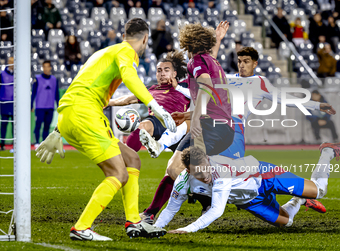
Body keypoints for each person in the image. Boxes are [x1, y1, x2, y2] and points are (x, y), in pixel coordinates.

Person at [139, 46, 336, 223]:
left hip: (234, 131)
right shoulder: (228, 79)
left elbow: (286, 99)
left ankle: (218, 203)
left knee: (227, 173)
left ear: (255, 64)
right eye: (239, 61)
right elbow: (209, 99)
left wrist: (316, 105)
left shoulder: (260, 82)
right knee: (193, 166)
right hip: (211, 124)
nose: (242, 65)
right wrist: (186, 109)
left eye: (246, 62)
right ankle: (206, 204)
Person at [35, 18, 176, 241]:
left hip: (72, 113)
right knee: (117, 174)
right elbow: (129, 76)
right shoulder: (128, 52)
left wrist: (58, 131)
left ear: (123, 35)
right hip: (86, 114)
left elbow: (79, 88)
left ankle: (134, 223)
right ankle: (81, 227)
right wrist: (155, 105)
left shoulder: (101, 54)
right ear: (145, 38)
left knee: (132, 159)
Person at [139, 21, 235, 222]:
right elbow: (214, 102)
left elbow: (206, 86)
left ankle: (151, 214)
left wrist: (197, 120)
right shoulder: (211, 61)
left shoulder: (196, 61)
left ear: (187, 42)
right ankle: (204, 203)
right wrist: (187, 116)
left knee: (176, 168)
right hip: (223, 127)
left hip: (210, 128)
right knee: (188, 168)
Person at [154, 144, 338, 233]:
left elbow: (217, 210)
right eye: (199, 172)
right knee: (287, 222)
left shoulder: (220, 171)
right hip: (250, 201)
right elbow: (171, 208)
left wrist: (187, 230)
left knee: (319, 190)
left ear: (208, 160)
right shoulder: (183, 181)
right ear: (188, 171)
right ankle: (300, 199)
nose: (205, 174)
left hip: (265, 176)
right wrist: (156, 228)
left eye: (206, 167)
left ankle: (327, 152)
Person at [108, 50, 190, 154]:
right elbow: (128, 100)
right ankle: (126, 157)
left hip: (178, 126)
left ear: (174, 73)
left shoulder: (184, 87)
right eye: (159, 70)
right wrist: (106, 102)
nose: (162, 73)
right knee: (142, 127)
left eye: (166, 70)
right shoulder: (150, 89)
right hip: (158, 122)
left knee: (176, 168)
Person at [31, 60, 60, 146]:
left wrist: (58, 105)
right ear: (43, 68)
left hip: (50, 107)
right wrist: (31, 105)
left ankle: (44, 142)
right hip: (40, 107)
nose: (46, 69)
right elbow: (33, 93)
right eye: (45, 67)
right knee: (38, 124)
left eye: (48, 66)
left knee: (47, 126)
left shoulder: (54, 79)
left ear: (50, 68)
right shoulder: (37, 79)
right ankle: (36, 142)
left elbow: (56, 94)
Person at [0, 56, 13, 151]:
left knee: (15, 126)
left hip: (14, 104)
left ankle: (15, 145)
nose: (11, 63)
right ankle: (2, 145)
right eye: (10, 61)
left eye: (13, 62)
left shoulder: (18, 75)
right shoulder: (2, 74)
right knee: (3, 125)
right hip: (4, 103)